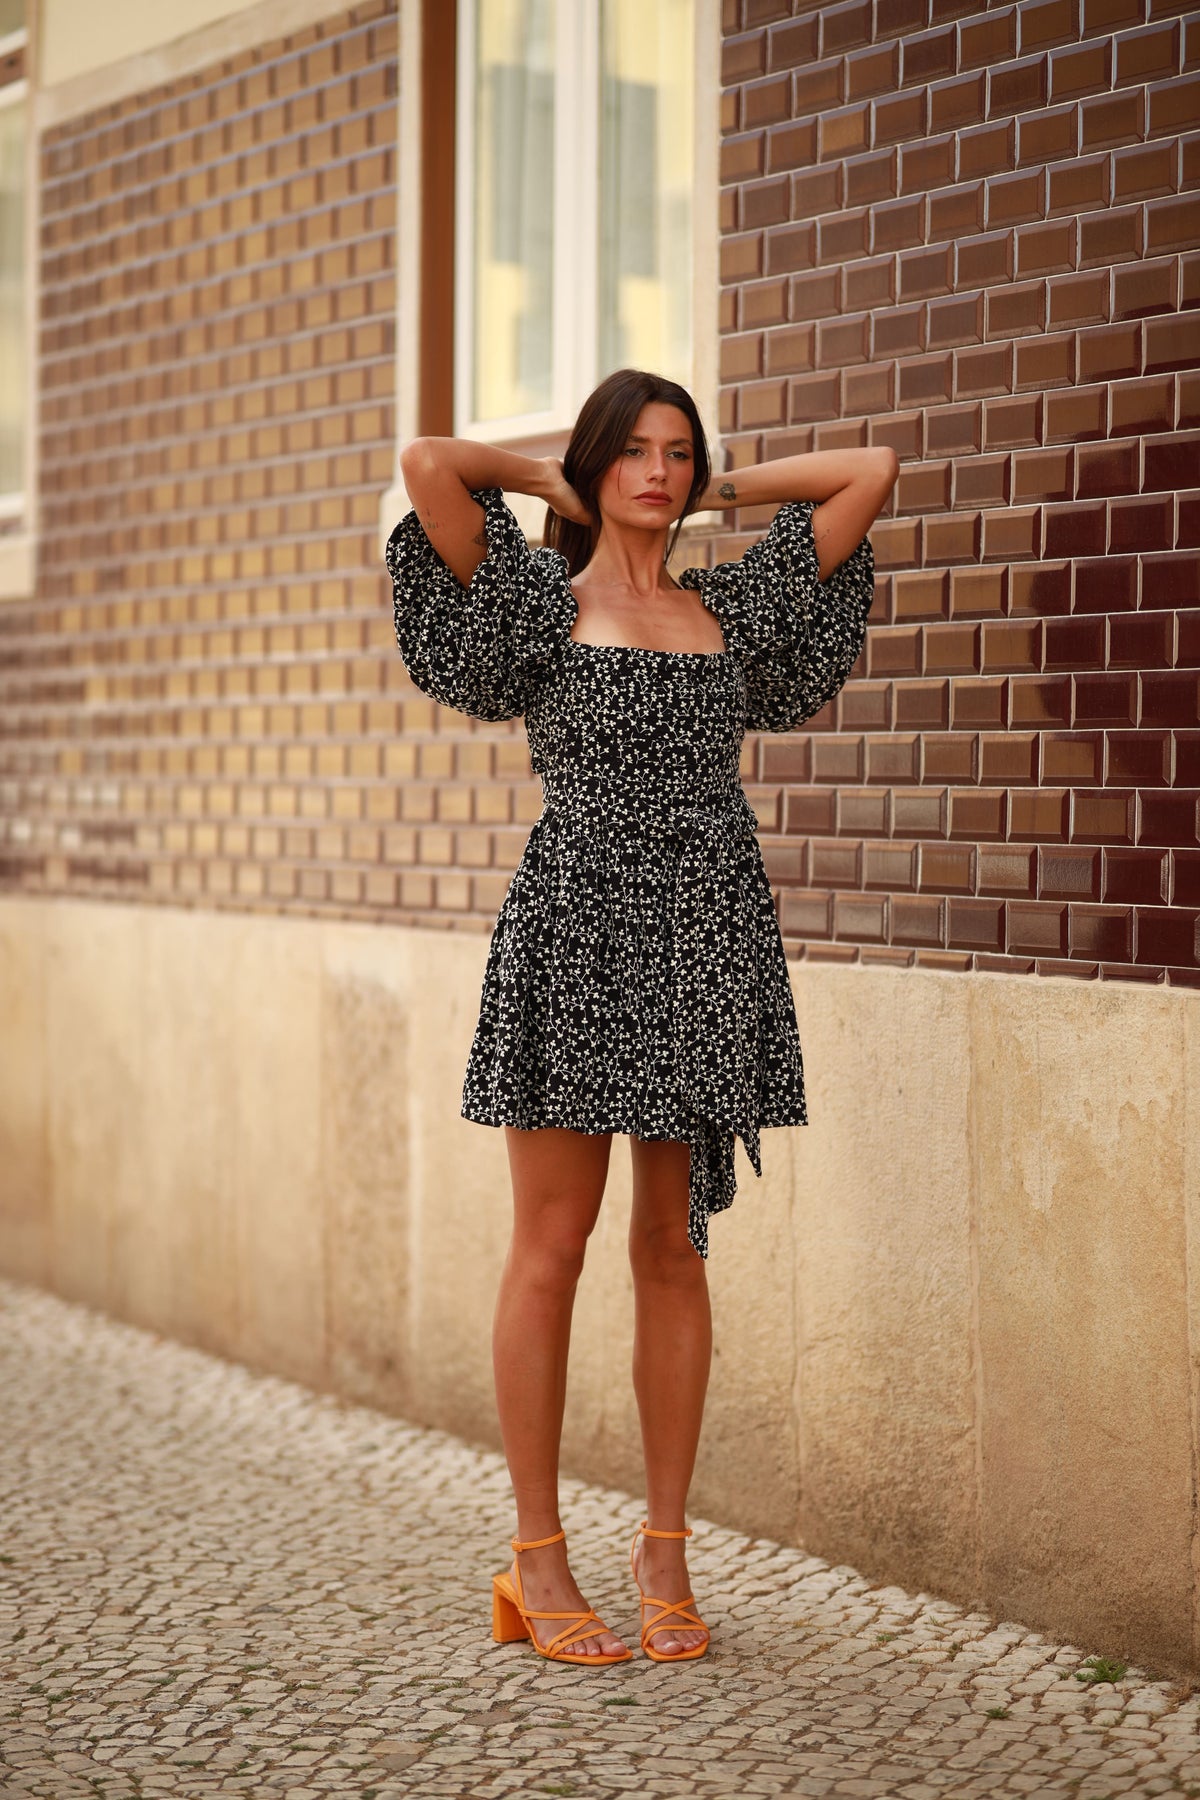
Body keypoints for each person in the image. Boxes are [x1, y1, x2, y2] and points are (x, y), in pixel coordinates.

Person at [386, 368, 898, 1667]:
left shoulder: (730, 606)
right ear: (597, 463)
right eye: (638, 452)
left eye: (680, 453)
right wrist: (554, 480)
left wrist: (724, 490)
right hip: (577, 931)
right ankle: (537, 1563)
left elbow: (868, 474)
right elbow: (431, 460)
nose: (660, 472)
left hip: (709, 931)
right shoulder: (535, 608)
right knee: (550, 1246)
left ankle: (664, 1555)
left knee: (675, 1252)